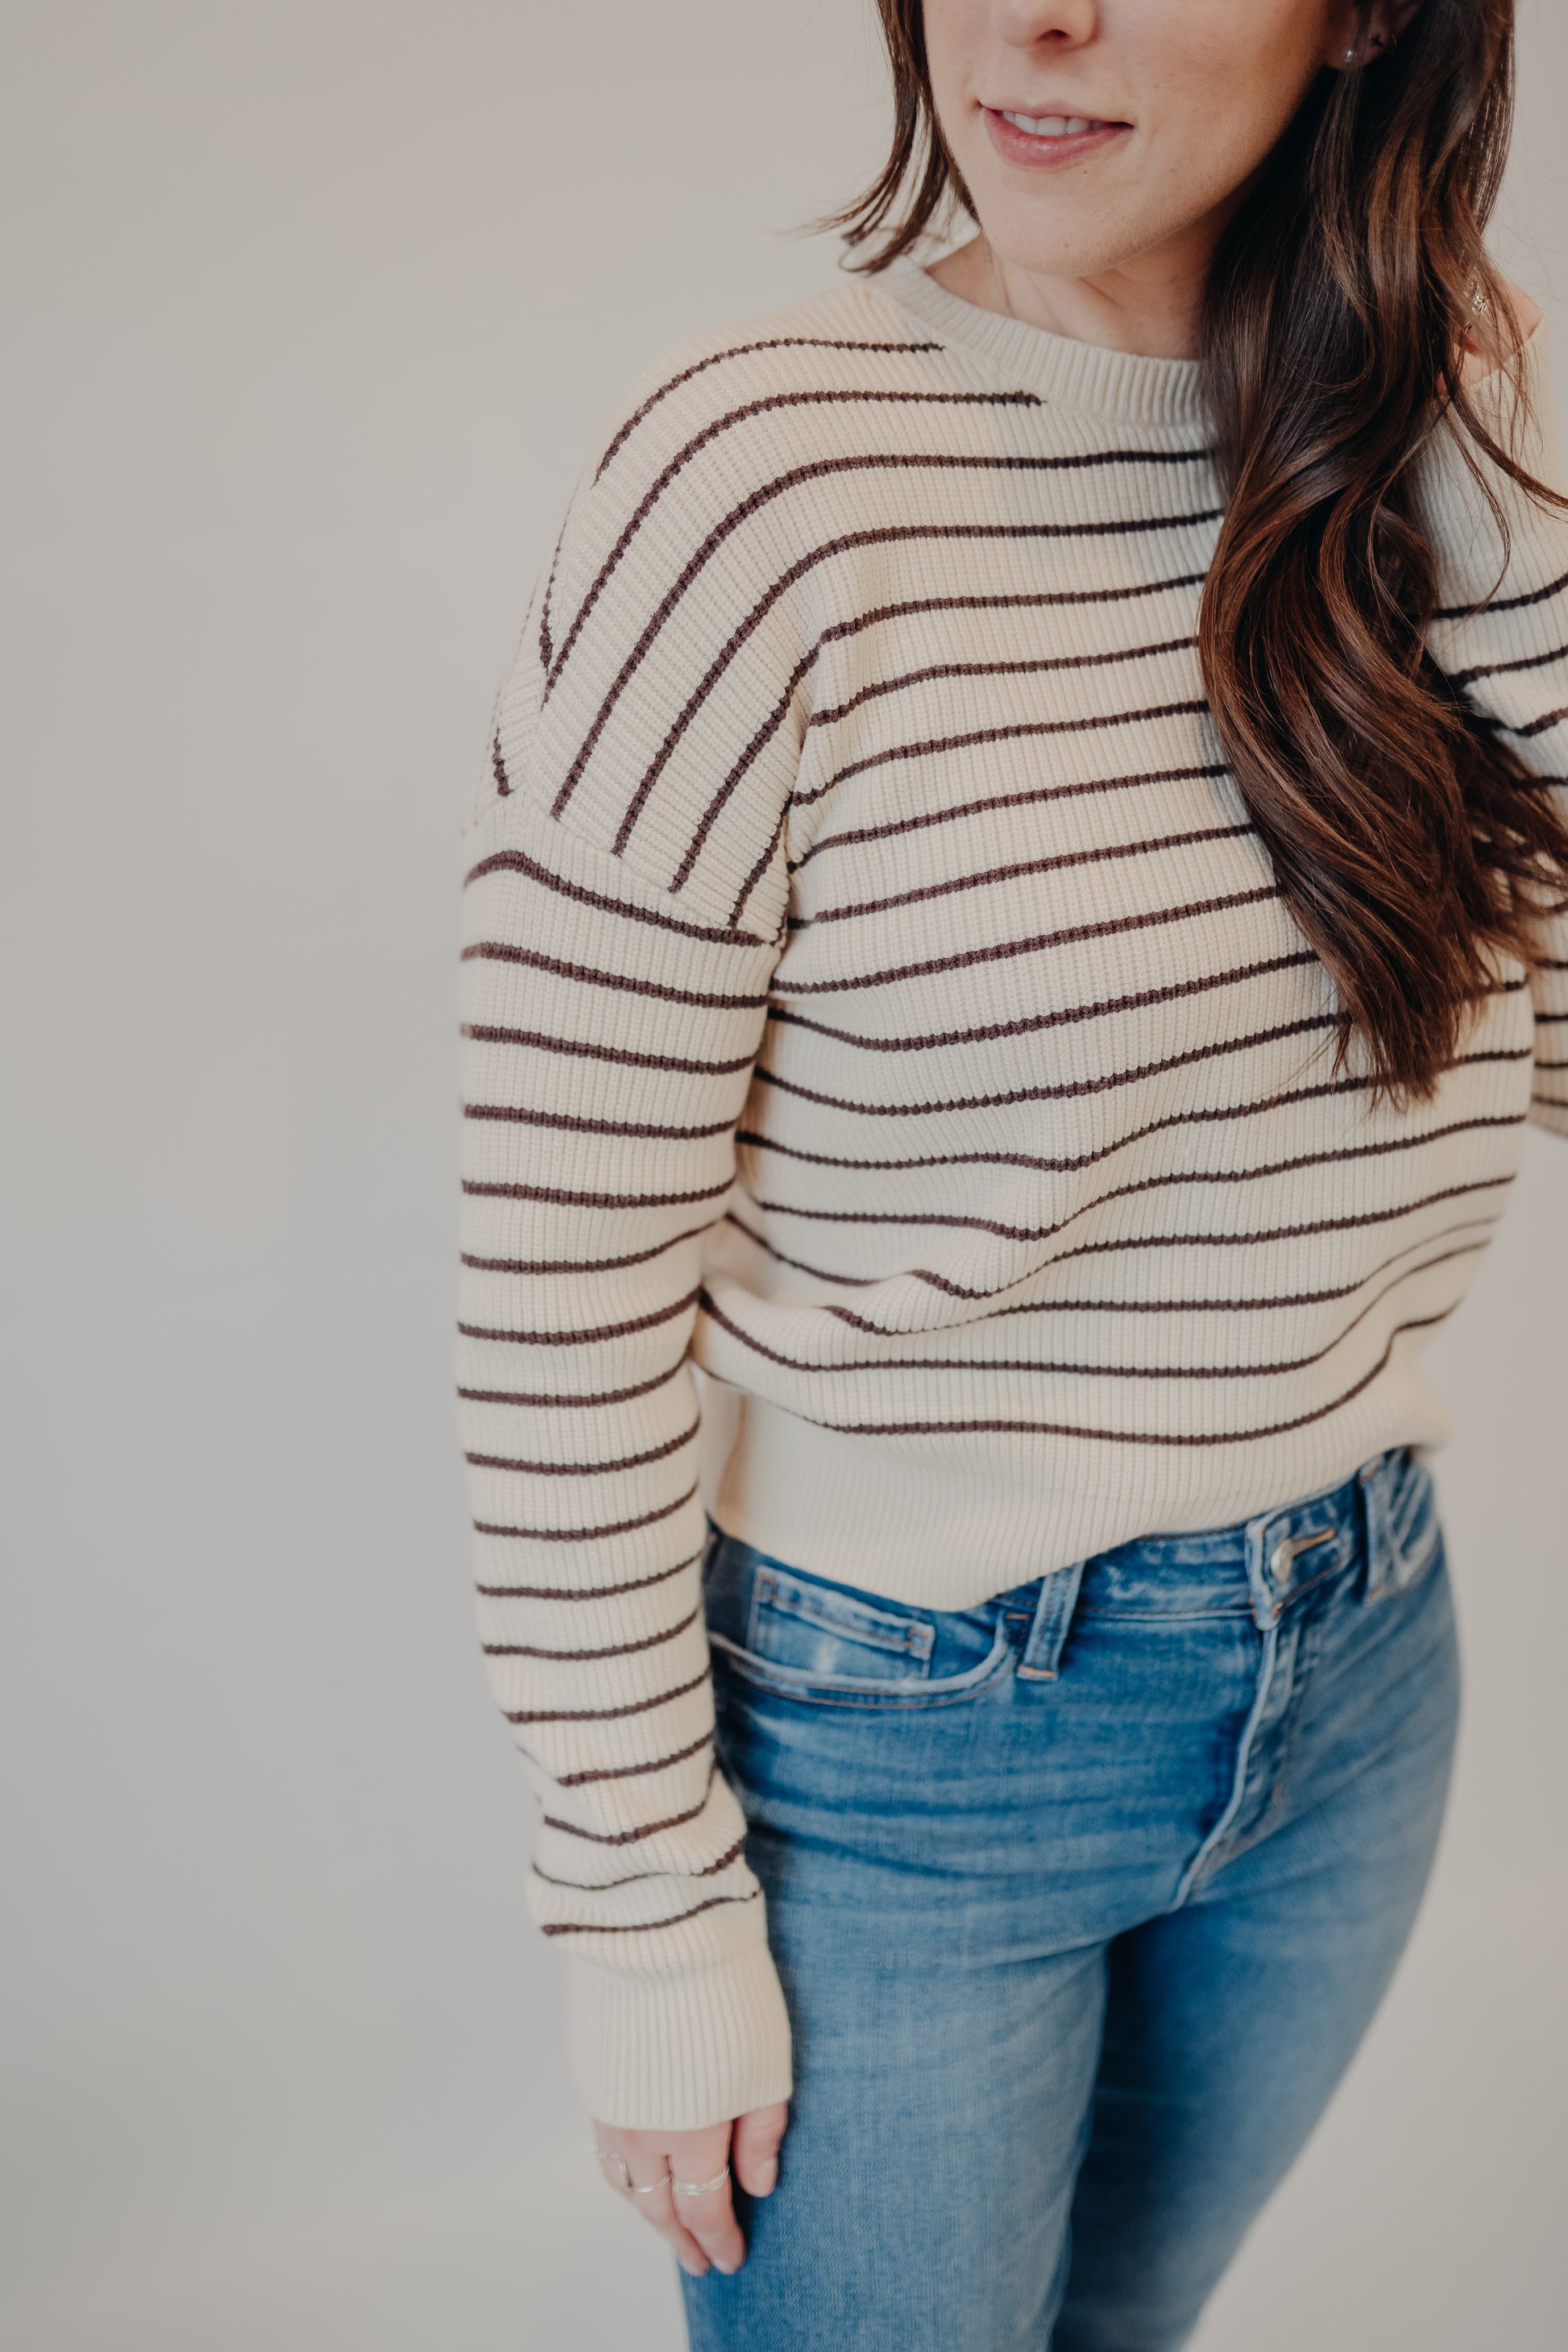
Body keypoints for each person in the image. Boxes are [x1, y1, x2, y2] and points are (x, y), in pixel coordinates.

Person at [456, 2, 1566, 2342]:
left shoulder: (1426, 449)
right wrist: (642, 1902)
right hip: (901, 1749)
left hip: (1359, 1652)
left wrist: (1498, 534)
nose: (1038, 19)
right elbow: (562, 1283)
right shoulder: (755, 479)